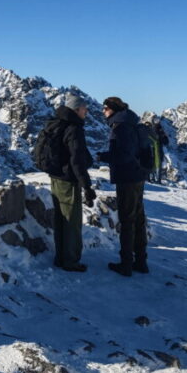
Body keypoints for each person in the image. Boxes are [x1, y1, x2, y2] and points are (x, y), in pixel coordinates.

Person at [34, 93, 96, 272]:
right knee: (72, 221)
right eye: (85, 108)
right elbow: (77, 160)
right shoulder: (73, 128)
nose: (87, 111)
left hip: (56, 178)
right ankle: (71, 261)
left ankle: (61, 257)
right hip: (68, 181)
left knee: (60, 219)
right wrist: (87, 186)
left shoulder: (57, 123)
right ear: (77, 109)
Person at [97, 96, 148, 276]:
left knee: (127, 220)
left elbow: (123, 155)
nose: (102, 112)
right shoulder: (131, 122)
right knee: (139, 218)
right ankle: (141, 261)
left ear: (112, 109)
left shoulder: (120, 128)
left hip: (127, 178)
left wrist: (103, 157)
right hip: (138, 176)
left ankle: (126, 263)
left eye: (105, 108)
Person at [149, 116, 169, 183]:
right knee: (152, 163)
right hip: (152, 149)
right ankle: (152, 178)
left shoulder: (161, 130)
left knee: (158, 163)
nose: (157, 122)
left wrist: (163, 137)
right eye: (155, 120)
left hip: (159, 149)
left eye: (158, 120)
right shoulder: (150, 130)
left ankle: (158, 179)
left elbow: (166, 141)